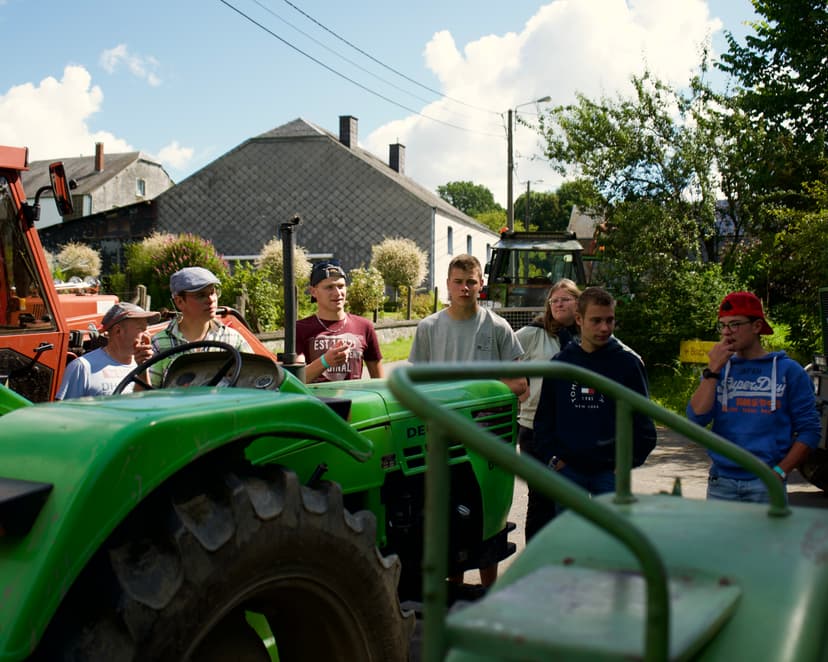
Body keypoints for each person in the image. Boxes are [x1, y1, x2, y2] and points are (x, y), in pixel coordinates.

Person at [409, 253, 526, 591]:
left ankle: (489, 595)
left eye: (471, 282)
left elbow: (521, 385)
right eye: (458, 282)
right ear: (447, 284)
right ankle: (455, 595)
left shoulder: (498, 326)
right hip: (443, 442)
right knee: (448, 523)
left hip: (488, 441)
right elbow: (417, 384)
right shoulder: (428, 328)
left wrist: (474, 394)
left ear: (481, 285)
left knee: (488, 524)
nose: (464, 288)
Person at [533, 286, 657, 517]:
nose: (604, 328)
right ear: (579, 319)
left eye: (610, 320)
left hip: (610, 472)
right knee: (570, 539)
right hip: (568, 471)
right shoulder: (560, 364)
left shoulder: (627, 364)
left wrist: (626, 463)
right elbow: (544, 420)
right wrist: (554, 458)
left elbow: (644, 425)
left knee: (610, 541)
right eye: (596, 320)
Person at [686, 291, 820, 503]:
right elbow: (696, 419)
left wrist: (779, 472)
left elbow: (810, 431)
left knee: (767, 538)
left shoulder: (789, 371)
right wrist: (712, 369)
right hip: (721, 482)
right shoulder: (719, 368)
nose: (727, 332)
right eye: (723, 325)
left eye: (735, 324)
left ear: (757, 327)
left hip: (766, 482)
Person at [149, 267, 252, 387]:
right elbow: (149, 395)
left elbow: (256, 378)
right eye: (201, 295)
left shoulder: (232, 338)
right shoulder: (159, 344)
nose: (211, 300)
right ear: (179, 302)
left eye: (212, 292)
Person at [515, 290, 563, 542]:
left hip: (571, 431)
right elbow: (504, 355)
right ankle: (535, 560)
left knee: (570, 498)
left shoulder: (583, 335)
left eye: (566, 298)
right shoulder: (534, 333)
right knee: (540, 500)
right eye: (554, 299)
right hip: (533, 426)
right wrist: (522, 391)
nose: (559, 304)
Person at [296, 260, 383, 382]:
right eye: (329, 287)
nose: (337, 293)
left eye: (341, 286)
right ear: (313, 292)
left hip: (355, 400)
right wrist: (325, 361)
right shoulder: (299, 329)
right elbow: (297, 379)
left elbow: (379, 381)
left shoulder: (364, 326)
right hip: (316, 400)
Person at [56, 302, 160, 399]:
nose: (147, 335)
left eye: (147, 329)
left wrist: (142, 368)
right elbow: (65, 414)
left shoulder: (146, 365)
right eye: (141, 329)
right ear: (118, 331)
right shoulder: (82, 367)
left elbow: (145, 407)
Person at [548, 278, 581, 349]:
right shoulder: (535, 331)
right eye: (555, 301)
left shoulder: (591, 331)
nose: (559, 305)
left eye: (565, 300)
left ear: (577, 302)